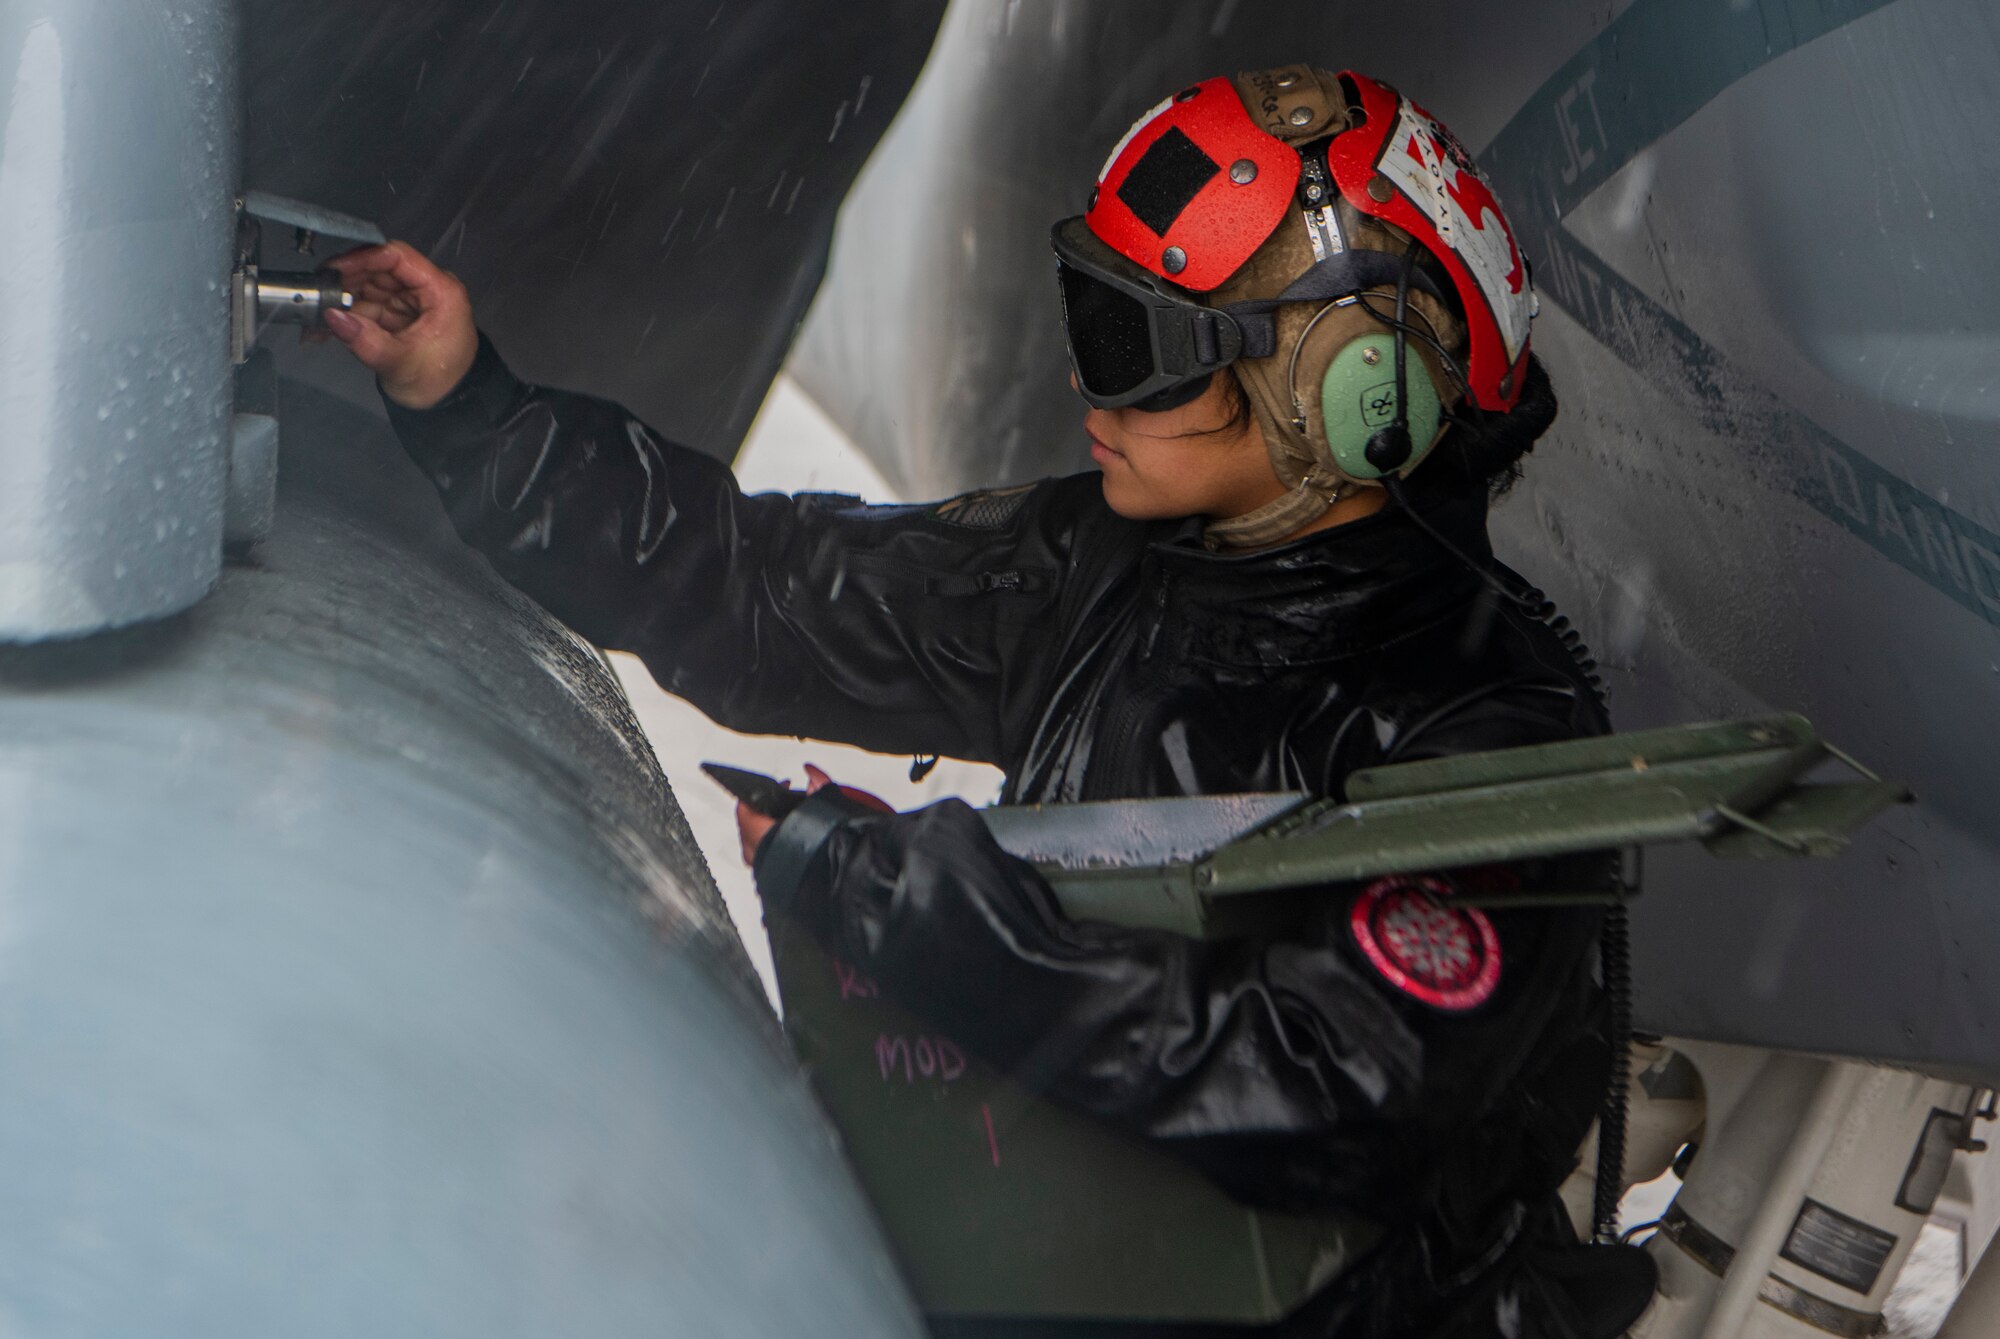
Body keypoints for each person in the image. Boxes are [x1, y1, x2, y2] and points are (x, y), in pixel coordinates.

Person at [325, 63, 1653, 1339]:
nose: (1087, 381)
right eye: (1091, 312)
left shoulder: (1491, 733)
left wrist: (921, 908)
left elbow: (1331, 1087)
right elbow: (758, 589)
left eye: (1135, 341)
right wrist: (473, 406)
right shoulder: (1108, 569)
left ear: (1349, 402)